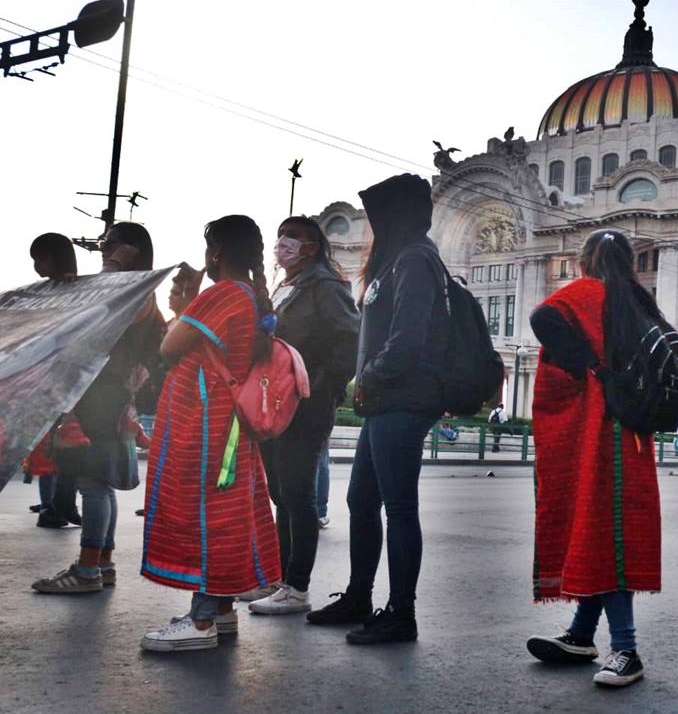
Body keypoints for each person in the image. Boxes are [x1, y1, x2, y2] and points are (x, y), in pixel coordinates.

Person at [306, 174, 449, 645]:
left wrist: (366, 379)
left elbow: (407, 338)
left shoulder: (415, 260)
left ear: (399, 215)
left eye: (380, 215)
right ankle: (359, 596)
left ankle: (401, 613)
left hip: (402, 400)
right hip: (384, 401)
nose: (374, 227)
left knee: (399, 507)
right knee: (360, 501)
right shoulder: (395, 262)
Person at [524, 229, 666, 688]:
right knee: (604, 529)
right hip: (632, 432)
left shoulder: (586, 293)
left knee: (603, 532)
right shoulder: (642, 304)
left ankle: (626, 648)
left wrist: (588, 367)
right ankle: (583, 635)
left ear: (585, 262)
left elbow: (542, 316)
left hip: (596, 432)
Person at [139, 215, 283, 651]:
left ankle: (200, 622)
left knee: (202, 514)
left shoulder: (221, 295)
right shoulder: (251, 297)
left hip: (202, 424)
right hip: (227, 425)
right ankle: (220, 613)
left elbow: (168, 346)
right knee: (223, 512)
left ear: (216, 252)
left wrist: (184, 304)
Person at [32, 223, 165, 594]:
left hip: (101, 393)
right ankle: (101, 563)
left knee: (93, 484)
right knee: (100, 484)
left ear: (132, 250)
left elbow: (94, 310)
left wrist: (114, 266)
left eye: (112, 242)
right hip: (109, 392)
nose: (105, 247)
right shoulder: (139, 289)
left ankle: (88, 569)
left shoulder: (132, 288)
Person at [242, 217, 358, 614]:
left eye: (294, 237)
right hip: (277, 399)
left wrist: (321, 387)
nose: (284, 243)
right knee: (282, 495)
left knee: (297, 493)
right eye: (282, 235)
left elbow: (349, 341)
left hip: (306, 403)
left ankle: (297, 587)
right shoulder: (288, 284)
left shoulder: (325, 285)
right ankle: (279, 578)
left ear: (312, 246)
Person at [26, 233, 82, 529]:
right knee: (48, 450)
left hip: (67, 382)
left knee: (65, 448)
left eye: (41, 257)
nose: (36, 265)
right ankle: (51, 506)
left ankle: (62, 504)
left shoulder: (78, 290)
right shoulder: (41, 291)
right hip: (46, 383)